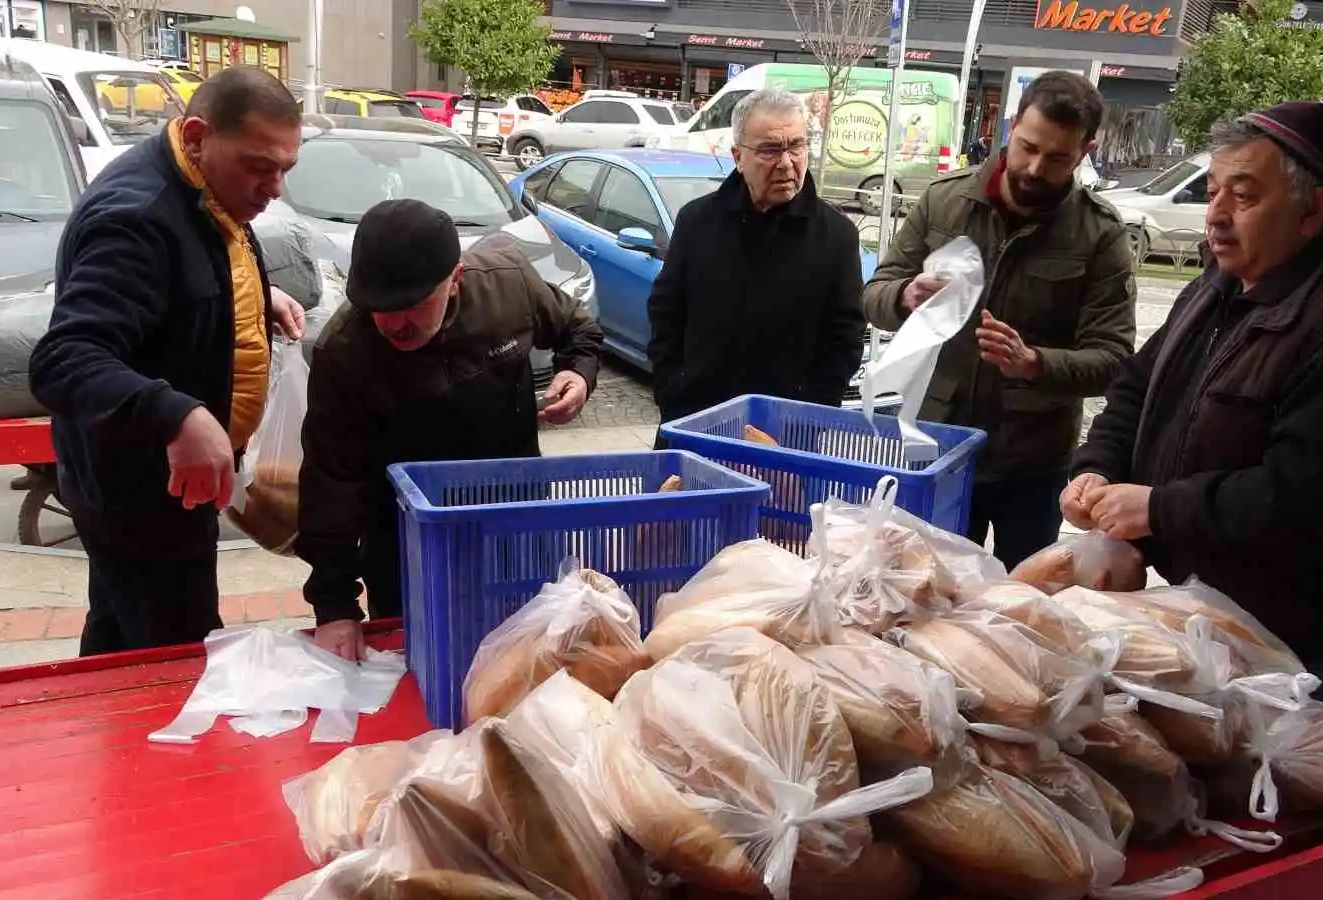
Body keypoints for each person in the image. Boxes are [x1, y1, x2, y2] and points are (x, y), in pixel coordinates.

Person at [1064, 102, 1323, 714]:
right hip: (1213, 612)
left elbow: (1304, 494)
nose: (1217, 215)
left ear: (1312, 210)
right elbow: (1136, 389)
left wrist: (1157, 507)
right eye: (1212, 192)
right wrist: (1094, 467)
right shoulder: (1218, 285)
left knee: (1274, 796)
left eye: (1245, 197)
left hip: (1306, 640)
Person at [28, 67, 308, 655]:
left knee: (119, 638)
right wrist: (177, 414)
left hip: (171, 490)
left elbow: (189, 277)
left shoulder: (202, 188)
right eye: (259, 166)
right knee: (173, 656)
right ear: (200, 135)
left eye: (285, 168)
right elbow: (64, 358)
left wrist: (257, 297)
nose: (274, 187)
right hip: (143, 500)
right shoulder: (138, 217)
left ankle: (103, 730)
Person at [298, 199, 602, 661]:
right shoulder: (344, 352)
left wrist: (577, 374)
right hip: (409, 540)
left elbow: (578, 329)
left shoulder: (506, 285)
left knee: (530, 655)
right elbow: (330, 483)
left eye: (414, 305)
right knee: (425, 661)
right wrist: (334, 606)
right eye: (380, 308)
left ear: (455, 279)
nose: (395, 323)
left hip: (515, 516)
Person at [862, 70, 1135, 568]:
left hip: (1031, 466)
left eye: (1057, 158)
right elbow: (874, 294)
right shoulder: (945, 200)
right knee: (921, 598)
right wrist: (905, 295)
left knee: (1019, 610)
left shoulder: (1100, 235)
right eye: (1027, 146)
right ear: (1010, 127)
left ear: (1085, 150)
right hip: (935, 449)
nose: (1033, 168)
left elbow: (1115, 361)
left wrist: (1034, 363)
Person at [647, 87, 865, 429]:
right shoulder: (697, 222)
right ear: (738, 156)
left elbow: (845, 339)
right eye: (770, 150)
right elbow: (665, 313)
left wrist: (809, 418)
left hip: (788, 437)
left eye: (796, 146)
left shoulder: (836, 235)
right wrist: (673, 394)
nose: (786, 162)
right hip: (697, 424)